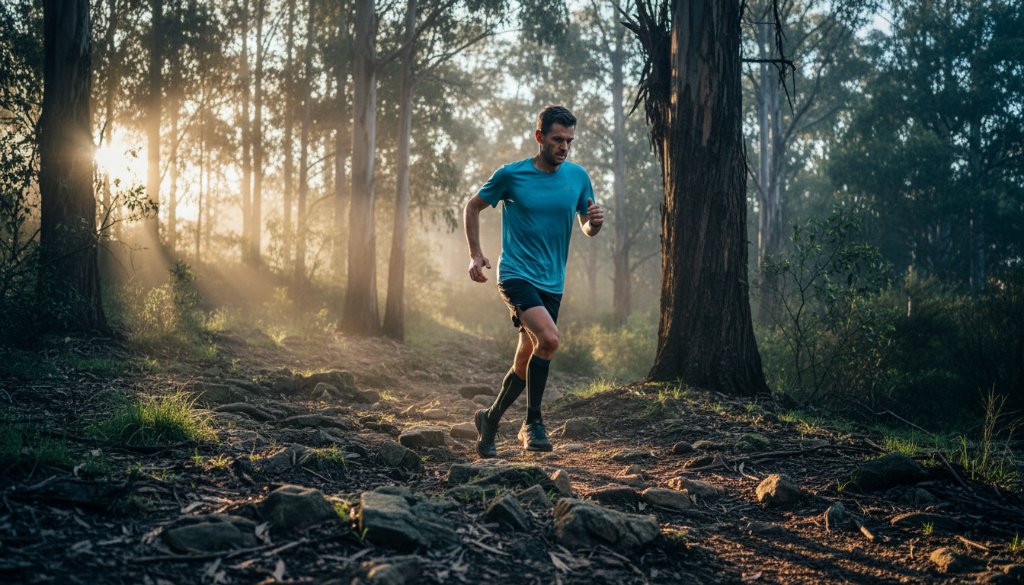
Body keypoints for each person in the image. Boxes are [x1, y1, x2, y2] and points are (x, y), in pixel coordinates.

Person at [463, 105, 604, 458]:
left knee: (528, 356)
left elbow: (587, 226)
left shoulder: (577, 177)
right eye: (558, 139)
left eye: (569, 140)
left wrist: (595, 223)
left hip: (552, 282)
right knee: (550, 339)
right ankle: (533, 424)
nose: (565, 147)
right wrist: (475, 254)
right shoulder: (512, 175)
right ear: (540, 137)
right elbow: (472, 207)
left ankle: (490, 419)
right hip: (515, 275)